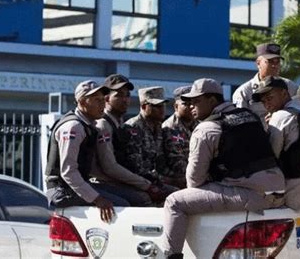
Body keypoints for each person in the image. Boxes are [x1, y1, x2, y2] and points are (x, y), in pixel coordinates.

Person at [163, 78, 285, 259]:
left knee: (175, 202)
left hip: (250, 194)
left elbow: (194, 181)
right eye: (188, 102)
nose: (191, 106)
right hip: (279, 190)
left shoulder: (207, 128)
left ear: (212, 101)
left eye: (196, 101)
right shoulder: (249, 115)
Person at [45, 80, 123, 223]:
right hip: (61, 190)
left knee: (132, 196)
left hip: (72, 186)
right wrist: (97, 199)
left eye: (103, 100)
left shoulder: (88, 125)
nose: (102, 104)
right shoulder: (74, 127)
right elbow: (68, 172)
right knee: (121, 205)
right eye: (96, 100)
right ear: (82, 102)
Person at [252, 76, 300, 211]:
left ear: (284, 93)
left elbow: (272, 156)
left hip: (295, 190)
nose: (267, 105)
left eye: (270, 98)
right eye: (263, 102)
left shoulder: (281, 116)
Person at [94, 74, 162, 206]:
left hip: (120, 181)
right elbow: (110, 167)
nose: (125, 100)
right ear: (107, 99)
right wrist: (145, 184)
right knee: (144, 199)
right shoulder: (104, 125)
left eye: (127, 95)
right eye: (119, 95)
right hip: (106, 183)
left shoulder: (120, 124)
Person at [232, 43, 298, 124]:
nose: (275, 65)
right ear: (258, 63)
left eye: (277, 62)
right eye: (270, 61)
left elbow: (299, 114)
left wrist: (279, 118)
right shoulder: (244, 92)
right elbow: (241, 125)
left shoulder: (290, 86)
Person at [161, 86, 198, 189]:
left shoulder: (198, 124)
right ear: (176, 106)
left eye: (193, 103)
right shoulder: (169, 128)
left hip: (196, 174)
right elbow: (178, 164)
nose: (191, 107)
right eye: (186, 104)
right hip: (178, 178)